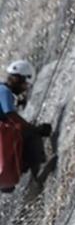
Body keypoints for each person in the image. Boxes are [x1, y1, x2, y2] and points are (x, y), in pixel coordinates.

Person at [0, 60, 52, 192]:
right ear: (17, 78)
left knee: (19, 145)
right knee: (30, 135)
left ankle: (8, 179)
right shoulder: (3, 90)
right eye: (25, 84)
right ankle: (38, 172)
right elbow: (10, 115)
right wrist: (36, 129)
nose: (24, 88)